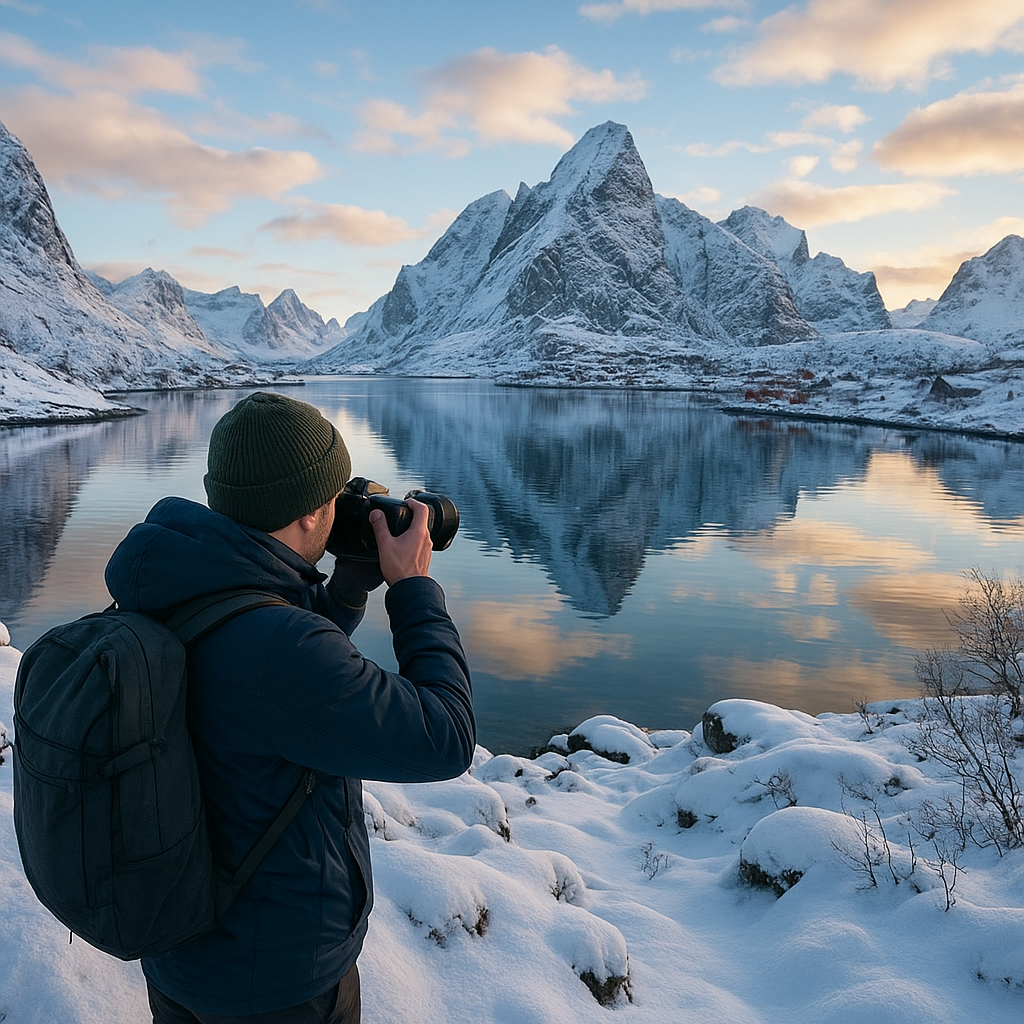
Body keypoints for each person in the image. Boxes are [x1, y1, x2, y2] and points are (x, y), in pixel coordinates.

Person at [103, 391, 475, 1024]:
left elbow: (252, 672)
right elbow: (446, 736)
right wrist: (413, 589)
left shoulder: (173, 582)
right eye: (334, 500)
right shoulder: (284, 651)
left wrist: (350, 585)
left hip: (180, 958)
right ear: (308, 515)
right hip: (280, 983)